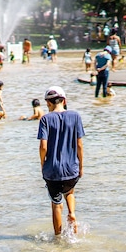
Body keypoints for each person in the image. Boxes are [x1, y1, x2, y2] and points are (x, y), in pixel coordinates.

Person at [37, 86, 84, 238]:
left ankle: (57, 238)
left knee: (56, 203)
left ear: (48, 103)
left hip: (52, 170)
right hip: (71, 169)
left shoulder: (45, 119)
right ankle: (72, 214)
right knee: (69, 192)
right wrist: (81, 166)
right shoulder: (75, 116)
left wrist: (43, 164)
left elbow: (43, 147)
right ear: (64, 101)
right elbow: (79, 145)